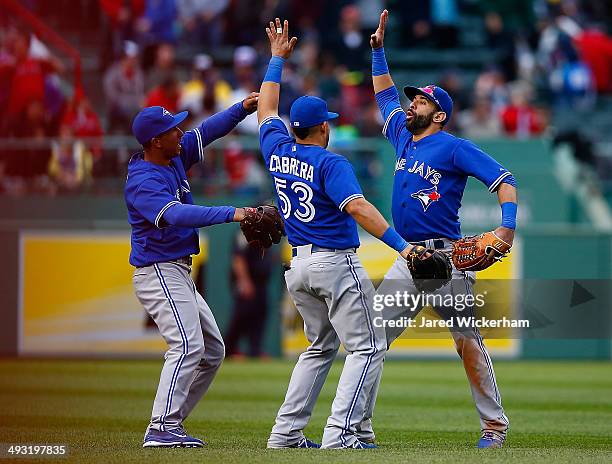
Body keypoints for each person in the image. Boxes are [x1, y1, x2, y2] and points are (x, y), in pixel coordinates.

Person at [259, 18, 428, 450]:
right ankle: (342, 433)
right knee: (369, 347)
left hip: (297, 264)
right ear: (322, 128)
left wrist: (276, 61)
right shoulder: (331, 162)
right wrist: (403, 248)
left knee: (318, 348)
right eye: (327, 122)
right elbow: (357, 208)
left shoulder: (277, 147)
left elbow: (265, 110)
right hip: (334, 263)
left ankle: (285, 434)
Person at [366, 10, 518, 449]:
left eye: (422, 101)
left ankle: (494, 427)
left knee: (467, 343)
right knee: (371, 339)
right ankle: (356, 429)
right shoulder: (401, 136)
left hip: (447, 259)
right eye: (414, 99)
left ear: (439, 115)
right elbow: (384, 96)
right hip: (407, 257)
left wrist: (505, 230)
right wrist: (377, 52)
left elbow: (504, 181)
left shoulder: (454, 147)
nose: (412, 103)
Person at [125, 93, 262, 448]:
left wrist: (241, 109)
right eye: (173, 129)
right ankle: (161, 427)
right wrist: (232, 212)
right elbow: (176, 215)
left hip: (178, 272)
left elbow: (207, 131)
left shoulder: (172, 157)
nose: (180, 132)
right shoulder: (143, 180)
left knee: (212, 351)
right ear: (156, 140)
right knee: (187, 345)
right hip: (157, 270)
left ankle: (171, 423)